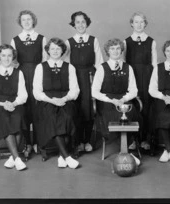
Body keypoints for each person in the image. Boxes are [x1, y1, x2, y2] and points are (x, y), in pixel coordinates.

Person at [91, 38, 142, 166]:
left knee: (130, 114)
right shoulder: (102, 68)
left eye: (118, 48)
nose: (115, 51)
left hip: (124, 101)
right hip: (107, 102)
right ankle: (126, 153)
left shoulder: (128, 67)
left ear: (121, 50)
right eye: (112, 48)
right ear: (108, 51)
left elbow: (134, 90)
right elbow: (94, 92)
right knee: (113, 116)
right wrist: (111, 100)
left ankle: (127, 147)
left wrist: (123, 99)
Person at [33, 37, 80, 169]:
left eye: (58, 48)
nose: (55, 51)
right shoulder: (40, 67)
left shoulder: (69, 67)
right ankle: (67, 156)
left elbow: (75, 90)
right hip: (46, 102)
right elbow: (37, 92)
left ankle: (61, 156)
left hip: (66, 100)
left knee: (67, 117)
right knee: (52, 118)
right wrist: (51, 100)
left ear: (62, 51)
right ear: (48, 50)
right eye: (52, 48)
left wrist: (64, 99)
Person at [0, 44, 28, 171]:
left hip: (15, 104)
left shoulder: (19, 73)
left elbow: (23, 95)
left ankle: (13, 158)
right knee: (5, 118)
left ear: (13, 56)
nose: (7, 58)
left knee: (18, 116)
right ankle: (17, 158)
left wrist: (13, 104)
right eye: (3, 55)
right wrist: (3, 104)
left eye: (9, 55)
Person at [64, 11, 103, 153]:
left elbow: (99, 63)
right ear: (73, 24)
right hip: (75, 78)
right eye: (77, 22)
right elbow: (66, 65)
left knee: (89, 110)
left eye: (83, 22)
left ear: (87, 23)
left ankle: (88, 140)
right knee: (77, 109)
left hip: (89, 77)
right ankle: (78, 141)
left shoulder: (93, 40)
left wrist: (99, 82)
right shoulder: (69, 42)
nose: (80, 25)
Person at [11, 10, 47, 156]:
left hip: (38, 74)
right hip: (22, 75)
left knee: (37, 108)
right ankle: (27, 144)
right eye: (23, 20)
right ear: (20, 22)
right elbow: (13, 61)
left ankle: (39, 142)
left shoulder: (41, 38)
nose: (26, 22)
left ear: (33, 21)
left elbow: (45, 60)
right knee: (24, 109)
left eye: (29, 19)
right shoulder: (16, 39)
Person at [123, 12, 157, 151]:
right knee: (133, 106)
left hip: (147, 76)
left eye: (142, 22)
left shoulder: (151, 41)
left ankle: (145, 139)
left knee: (147, 106)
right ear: (132, 24)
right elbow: (124, 63)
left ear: (145, 24)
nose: (139, 25)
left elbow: (154, 64)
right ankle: (132, 139)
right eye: (136, 22)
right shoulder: (126, 42)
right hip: (132, 76)